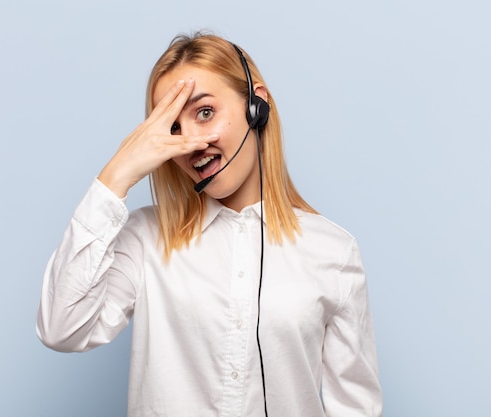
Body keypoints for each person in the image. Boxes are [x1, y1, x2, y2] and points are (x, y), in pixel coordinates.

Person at [37, 32, 382, 417]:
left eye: (204, 113)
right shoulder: (146, 239)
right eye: (174, 129)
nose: (192, 144)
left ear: (257, 107)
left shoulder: (333, 252)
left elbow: (356, 407)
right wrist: (117, 173)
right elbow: (61, 328)